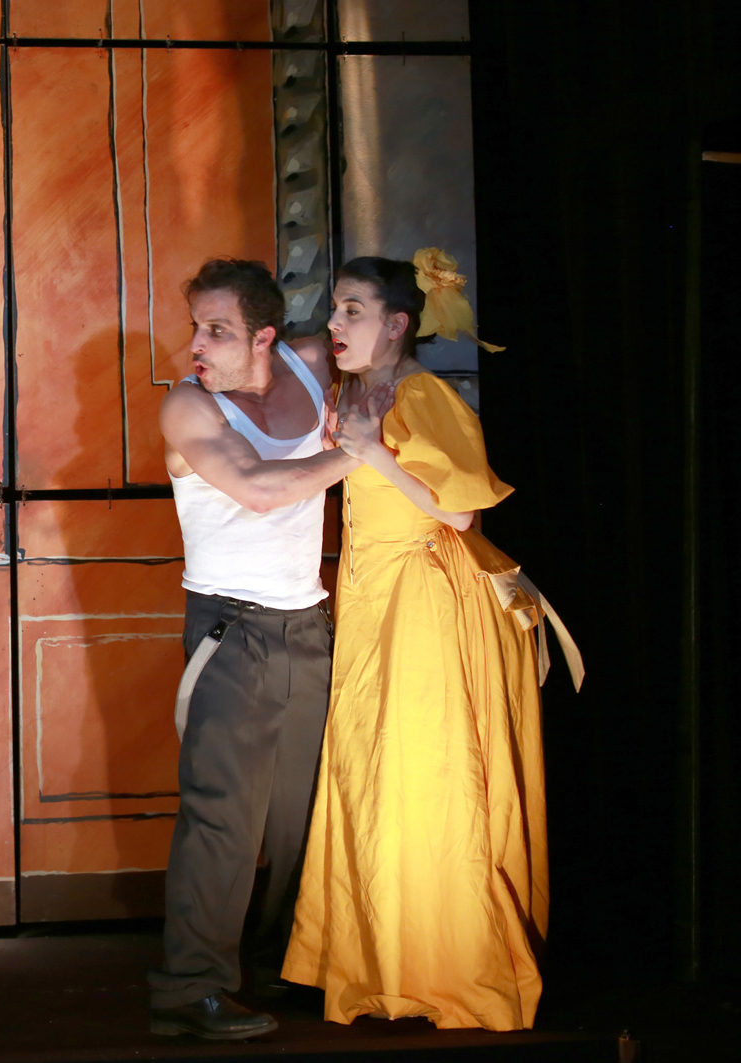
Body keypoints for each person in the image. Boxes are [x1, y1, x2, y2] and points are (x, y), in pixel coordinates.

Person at [280, 251, 552, 1030]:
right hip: (372, 595)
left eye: (353, 310)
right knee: (373, 769)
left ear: (397, 324)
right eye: (335, 307)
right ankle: (380, 964)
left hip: (422, 595)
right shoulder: (352, 390)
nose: (335, 322)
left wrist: (372, 455)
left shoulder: (424, 394)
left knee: (425, 770)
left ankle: (452, 968)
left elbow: (461, 512)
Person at [148, 258, 360, 1041]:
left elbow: (375, 338)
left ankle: (286, 965)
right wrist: (366, 451)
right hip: (229, 630)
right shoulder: (189, 406)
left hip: (308, 625)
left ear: (266, 336)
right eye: (195, 328)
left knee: (305, 816)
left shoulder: (309, 364)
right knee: (223, 819)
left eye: (218, 330)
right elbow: (262, 489)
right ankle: (190, 989)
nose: (196, 346)